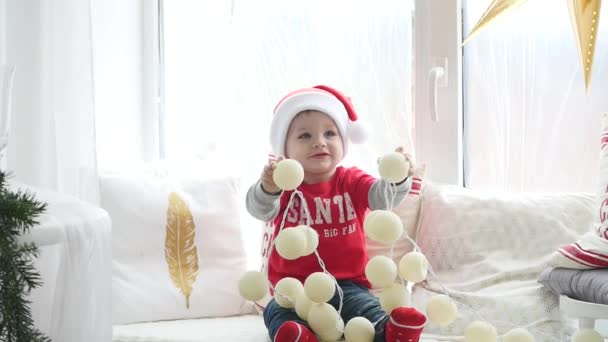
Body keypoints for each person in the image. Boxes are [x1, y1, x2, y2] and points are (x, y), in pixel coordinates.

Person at [246, 85, 427, 342]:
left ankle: (390, 331)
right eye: (305, 136)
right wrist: (268, 188)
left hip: (348, 286)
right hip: (294, 289)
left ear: (343, 141)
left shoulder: (351, 180)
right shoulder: (284, 185)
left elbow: (381, 197)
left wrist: (397, 178)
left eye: (330, 133)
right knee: (277, 312)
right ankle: (297, 336)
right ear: (284, 150)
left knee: (367, 310)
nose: (319, 141)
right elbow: (259, 209)